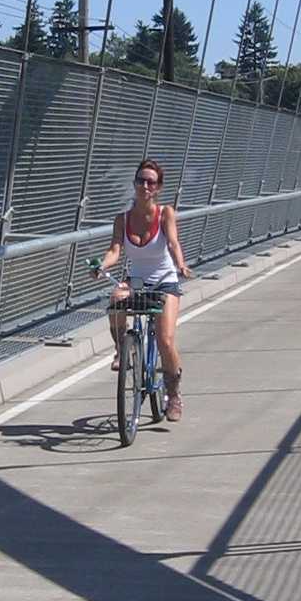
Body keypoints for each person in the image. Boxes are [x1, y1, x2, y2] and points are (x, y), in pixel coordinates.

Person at [93, 159, 190, 420]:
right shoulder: (122, 219)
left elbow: (172, 242)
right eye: (140, 180)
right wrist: (102, 265)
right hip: (136, 279)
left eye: (151, 182)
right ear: (134, 183)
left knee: (165, 340)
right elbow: (115, 249)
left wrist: (180, 264)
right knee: (115, 301)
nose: (145, 185)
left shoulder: (165, 213)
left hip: (164, 280)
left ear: (157, 188)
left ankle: (174, 394)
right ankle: (122, 349)